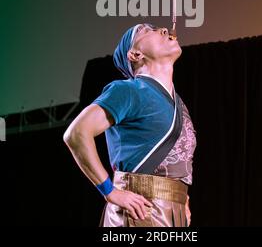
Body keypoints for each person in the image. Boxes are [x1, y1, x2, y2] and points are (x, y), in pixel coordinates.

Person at [63, 23, 197, 227]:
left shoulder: (179, 104)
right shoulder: (128, 90)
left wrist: (181, 199)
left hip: (173, 211)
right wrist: (110, 191)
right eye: (146, 31)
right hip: (141, 210)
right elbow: (76, 133)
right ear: (134, 54)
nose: (163, 30)